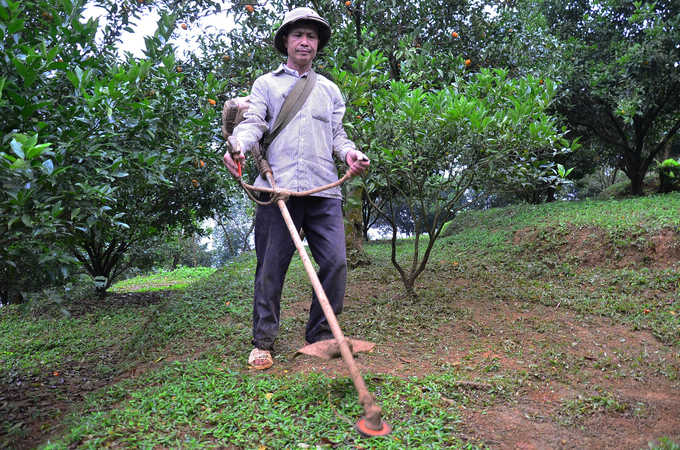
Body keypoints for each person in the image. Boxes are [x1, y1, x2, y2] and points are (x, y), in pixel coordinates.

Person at [222, 7, 370, 370]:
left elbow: (338, 136)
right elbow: (252, 122)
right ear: (286, 42)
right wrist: (237, 146)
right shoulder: (266, 85)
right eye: (298, 35)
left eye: (312, 36)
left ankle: (320, 336)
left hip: (323, 191)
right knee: (271, 267)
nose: (305, 42)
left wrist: (351, 154)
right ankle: (263, 342)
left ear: (318, 45)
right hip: (278, 191)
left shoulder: (330, 91)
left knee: (335, 263)